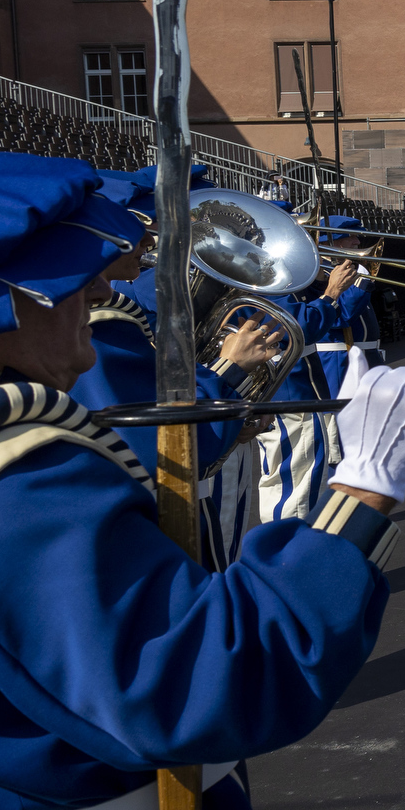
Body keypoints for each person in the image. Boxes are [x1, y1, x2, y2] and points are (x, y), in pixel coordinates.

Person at [0, 154, 405, 810]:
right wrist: (365, 489)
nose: (97, 289)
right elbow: (188, 683)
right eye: (68, 279)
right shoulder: (10, 468)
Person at [70, 166, 275, 570]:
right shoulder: (105, 318)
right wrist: (228, 370)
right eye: (145, 226)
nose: (151, 241)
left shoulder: (112, 308)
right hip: (143, 513)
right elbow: (162, 444)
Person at [256, 240, 360, 523]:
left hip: (299, 390)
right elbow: (298, 326)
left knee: (303, 483)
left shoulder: (277, 278)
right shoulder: (263, 277)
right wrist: (331, 292)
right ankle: (287, 558)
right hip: (290, 392)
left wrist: (319, 279)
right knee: (293, 488)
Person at [314, 216, 387, 397]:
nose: (358, 241)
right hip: (340, 362)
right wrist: (363, 281)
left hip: (365, 358)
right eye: (351, 237)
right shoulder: (319, 273)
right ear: (333, 242)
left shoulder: (345, 270)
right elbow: (340, 317)